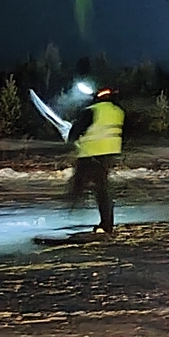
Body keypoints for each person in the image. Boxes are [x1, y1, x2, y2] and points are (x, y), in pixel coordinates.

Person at [67, 86, 124, 233]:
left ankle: (70, 211)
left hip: (90, 154)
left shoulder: (92, 110)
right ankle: (106, 222)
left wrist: (71, 139)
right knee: (102, 188)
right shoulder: (118, 111)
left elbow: (76, 131)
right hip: (109, 154)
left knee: (79, 185)